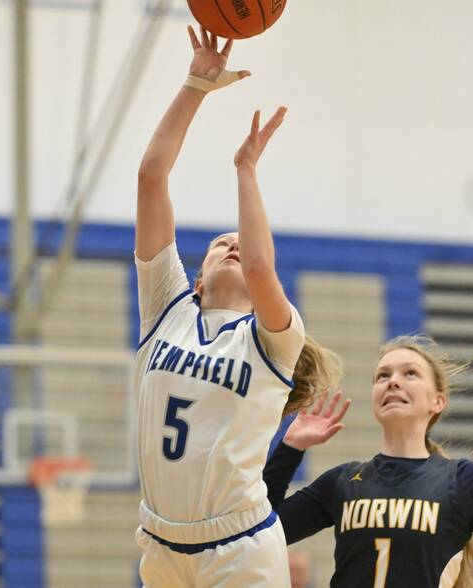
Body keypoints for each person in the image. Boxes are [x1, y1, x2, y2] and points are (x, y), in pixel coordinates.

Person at [133, 25, 340, 588]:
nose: (230, 243)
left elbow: (258, 265)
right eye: (216, 242)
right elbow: (152, 178)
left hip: (239, 547)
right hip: (159, 543)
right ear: (195, 279)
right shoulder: (165, 312)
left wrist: (246, 170)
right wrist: (196, 84)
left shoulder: (276, 338)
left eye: (238, 239)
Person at [264, 335, 473, 587]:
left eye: (410, 374)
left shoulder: (461, 481)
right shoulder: (342, 481)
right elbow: (258, 532)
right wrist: (290, 448)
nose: (393, 382)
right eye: (383, 375)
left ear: (437, 402)